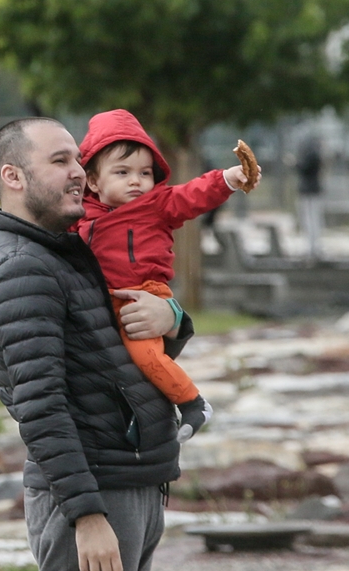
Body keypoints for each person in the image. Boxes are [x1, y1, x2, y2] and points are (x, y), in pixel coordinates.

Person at [0, 117, 195, 571]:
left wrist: (174, 319)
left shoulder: (73, 249)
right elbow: (40, 406)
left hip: (130, 485)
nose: (80, 172)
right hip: (95, 496)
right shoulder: (24, 268)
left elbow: (127, 346)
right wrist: (87, 515)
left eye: (78, 158)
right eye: (60, 161)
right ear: (13, 176)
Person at [74, 109, 258, 441]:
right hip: (108, 301)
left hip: (147, 292)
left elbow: (192, 195)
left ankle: (192, 402)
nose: (136, 180)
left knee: (144, 354)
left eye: (145, 172)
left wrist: (227, 179)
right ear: (92, 180)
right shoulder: (80, 218)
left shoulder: (156, 204)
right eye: (122, 172)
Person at [296, 136, 323, 258]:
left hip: (309, 192)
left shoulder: (312, 157)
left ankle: (313, 247)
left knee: (311, 220)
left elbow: (303, 169)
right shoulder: (316, 156)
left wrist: (294, 164)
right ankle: (312, 246)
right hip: (311, 191)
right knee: (310, 220)